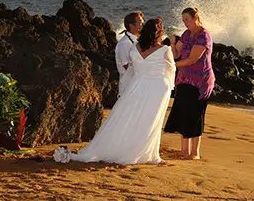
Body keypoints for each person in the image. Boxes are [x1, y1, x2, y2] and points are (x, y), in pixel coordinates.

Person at [54, 18, 175, 165]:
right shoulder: (164, 50)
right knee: (151, 120)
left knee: (130, 117)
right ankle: (148, 154)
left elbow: (132, 68)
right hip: (157, 87)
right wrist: (169, 86)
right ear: (159, 33)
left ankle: (140, 151)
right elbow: (171, 69)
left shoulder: (135, 47)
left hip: (137, 85)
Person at [164, 7, 215, 160]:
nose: (185, 22)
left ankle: (195, 153)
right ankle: (184, 150)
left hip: (200, 81)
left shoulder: (203, 35)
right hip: (184, 79)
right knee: (183, 113)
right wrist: (172, 44)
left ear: (195, 18)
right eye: (183, 20)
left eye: (187, 19)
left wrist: (174, 66)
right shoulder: (186, 34)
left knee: (195, 115)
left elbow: (193, 59)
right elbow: (176, 54)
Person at [115, 11, 144, 97]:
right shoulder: (124, 43)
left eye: (142, 21)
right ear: (131, 25)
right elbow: (127, 67)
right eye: (140, 22)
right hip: (127, 89)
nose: (142, 24)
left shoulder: (138, 41)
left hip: (137, 87)